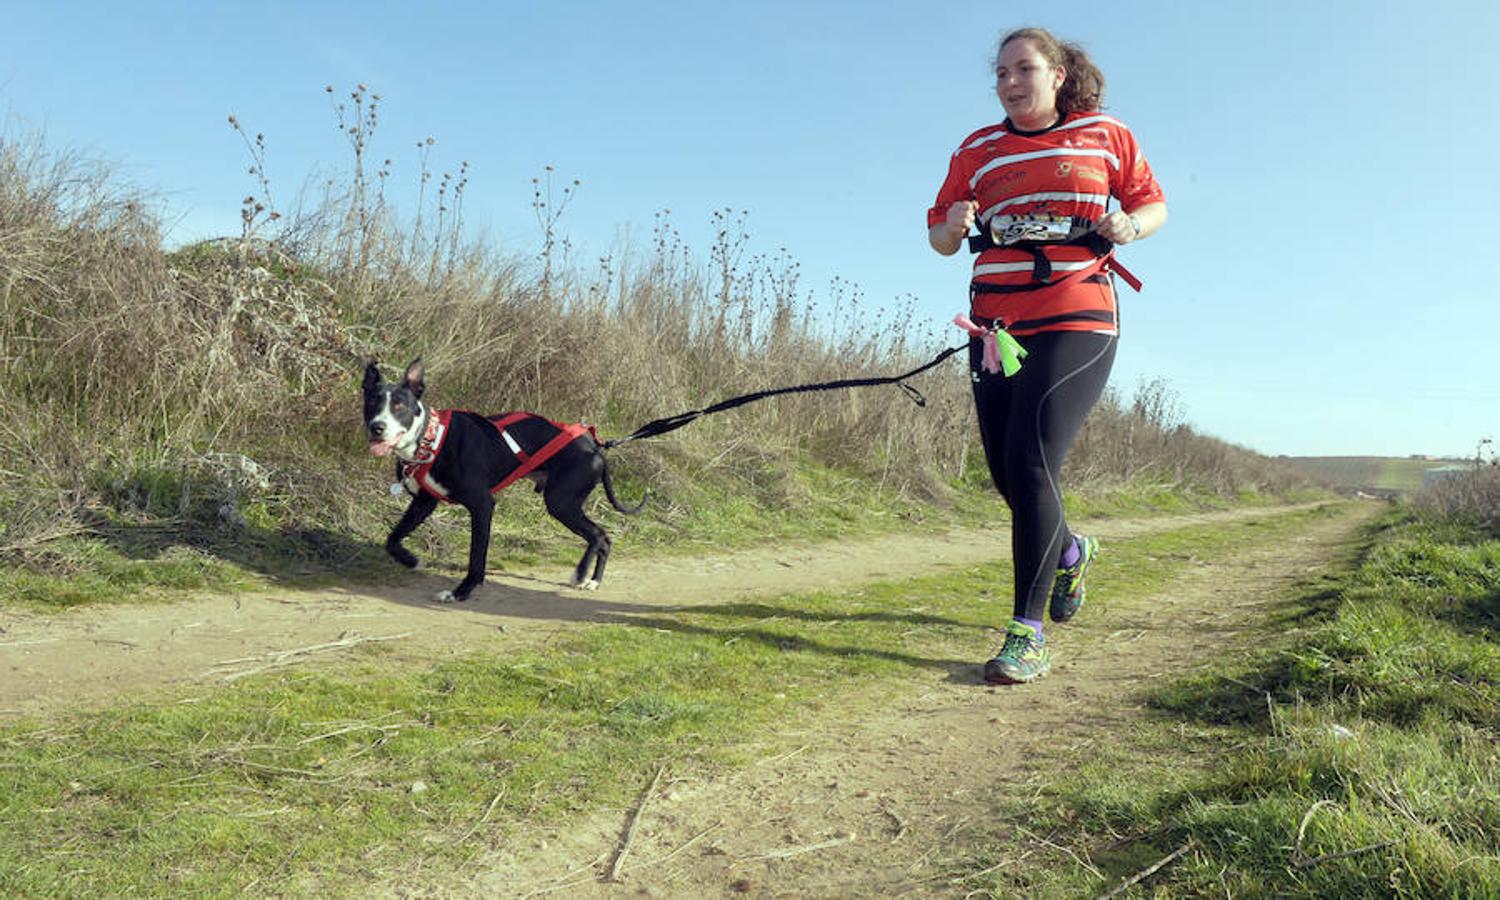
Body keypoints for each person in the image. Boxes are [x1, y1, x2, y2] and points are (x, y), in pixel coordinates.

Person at [927, 27, 1166, 684]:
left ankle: (1026, 634)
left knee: (1034, 461)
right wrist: (950, 226)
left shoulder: (1104, 135)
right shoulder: (977, 149)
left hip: (1076, 313)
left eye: (1023, 69)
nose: (1008, 81)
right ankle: (1069, 550)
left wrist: (1129, 225)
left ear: (1058, 74)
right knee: (1009, 475)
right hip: (994, 324)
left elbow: (1152, 204)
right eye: (1000, 72)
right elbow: (941, 233)